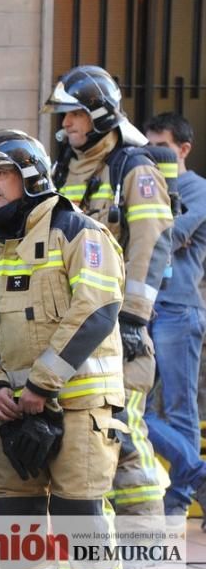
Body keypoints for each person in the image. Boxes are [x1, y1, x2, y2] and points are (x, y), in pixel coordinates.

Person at [0, 129, 126, 569]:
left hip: (79, 410)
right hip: (12, 414)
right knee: (18, 533)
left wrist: (41, 385)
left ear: (30, 175)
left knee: (83, 525)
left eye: (2, 172)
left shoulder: (78, 232)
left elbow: (96, 309)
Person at [44, 64, 173, 516]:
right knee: (87, 432)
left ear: (99, 114)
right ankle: (103, 533)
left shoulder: (133, 170)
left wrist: (135, 318)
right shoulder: (64, 168)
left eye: (74, 115)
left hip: (115, 323)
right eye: (64, 117)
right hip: (69, 321)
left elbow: (151, 242)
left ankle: (144, 532)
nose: (66, 125)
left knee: (122, 426)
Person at [140, 113, 206, 518]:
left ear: (183, 149)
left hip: (178, 308)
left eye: (160, 147)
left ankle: (178, 503)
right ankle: (197, 475)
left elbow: (170, 237)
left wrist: (139, 224)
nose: (153, 156)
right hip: (144, 308)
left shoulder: (197, 189)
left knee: (181, 410)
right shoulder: (145, 188)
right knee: (135, 411)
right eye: (148, 148)